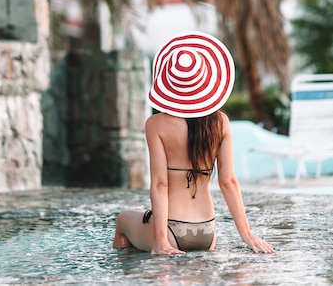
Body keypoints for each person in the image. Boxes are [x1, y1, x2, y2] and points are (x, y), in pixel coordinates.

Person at [113, 31, 274, 256]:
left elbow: (160, 184)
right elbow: (228, 182)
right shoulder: (221, 122)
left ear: (169, 82)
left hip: (171, 230)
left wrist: (160, 240)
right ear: (205, 80)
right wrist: (246, 233)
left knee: (123, 219)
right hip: (207, 233)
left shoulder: (156, 124)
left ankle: (138, 272)